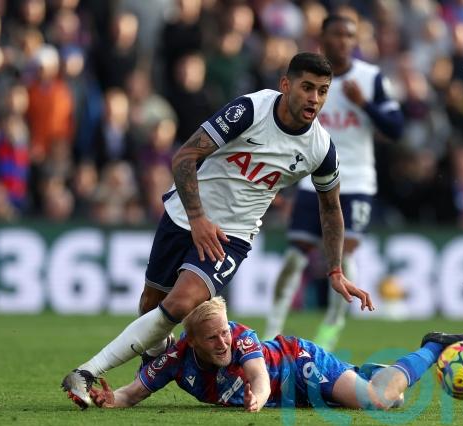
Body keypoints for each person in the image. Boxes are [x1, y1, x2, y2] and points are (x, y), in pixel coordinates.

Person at [61, 52, 374, 409]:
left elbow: (330, 208)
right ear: (286, 85)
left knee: (179, 304)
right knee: (151, 306)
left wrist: (335, 269)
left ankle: (86, 372)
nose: (314, 99)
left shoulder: (321, 148)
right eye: (307, 88)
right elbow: (185, 157)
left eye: (322, 91)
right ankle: (155, 365)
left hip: (231, 237)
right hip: (184, 215)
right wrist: (197, 219)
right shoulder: (250, 111)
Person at [83, 296, 463, 411]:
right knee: (391, 395)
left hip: (300, 366)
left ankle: (434, 345)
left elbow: (258, 375)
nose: (224, 342)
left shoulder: (241, 338)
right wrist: (109, 398)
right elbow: (132, 393)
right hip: (294, 398)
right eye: (213, 339)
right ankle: (363, 371)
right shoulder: (175, 360)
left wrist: (258, 397)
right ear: (191, 341)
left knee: (381, 400)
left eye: (224, 333)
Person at [264, 15, 403, 349]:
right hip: (310, 179)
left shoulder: (370, 78)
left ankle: (331, 328)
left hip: (355, 182)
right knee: (295, 256)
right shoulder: (305, 78)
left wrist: (364, 104)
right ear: (322, 37)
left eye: (349, 35)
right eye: (337, 34)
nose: (343, 41)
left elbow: (396, 128)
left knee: (342, 254)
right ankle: (271, 330)